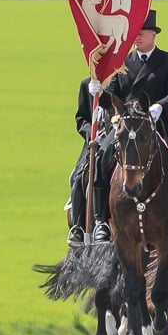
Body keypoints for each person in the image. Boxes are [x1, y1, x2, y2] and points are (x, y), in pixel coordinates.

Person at [96, 10, 168, 275]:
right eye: (134, 33)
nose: (136, 37)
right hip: (127, 126)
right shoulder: (123, 61)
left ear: (153, 34)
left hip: (160, 124)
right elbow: (113, 94)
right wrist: (100, 91)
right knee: (102, 157)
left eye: (141, 33)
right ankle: (101, 219)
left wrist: (160, 106)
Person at [66, 77, 110, 247]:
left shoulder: (120, 81)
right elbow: (81, 119)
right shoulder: (86, 85)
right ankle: (77, 226)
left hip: (115, 138)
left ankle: (101, 221)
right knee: (78, 177)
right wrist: (90, 133)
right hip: (93, 141)